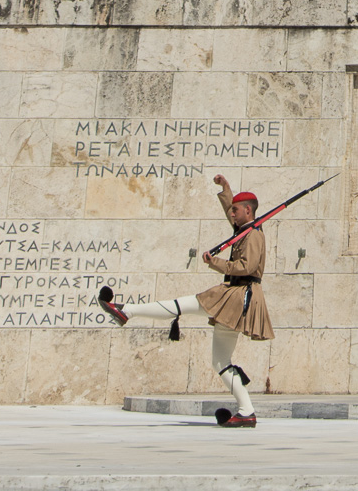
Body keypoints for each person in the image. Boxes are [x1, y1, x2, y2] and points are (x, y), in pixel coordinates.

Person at [98, 174, 273, 428]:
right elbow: (230, 213)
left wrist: (215, 262)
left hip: (238, 295)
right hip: (237, 296)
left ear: (248, 210)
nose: (232, 214)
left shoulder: (254, 235)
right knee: (220, 361)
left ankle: (127, 311)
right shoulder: (243, 230)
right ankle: (246, 412)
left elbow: (247, 266)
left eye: (236, 210)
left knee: (183, 304)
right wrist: (226, 190)